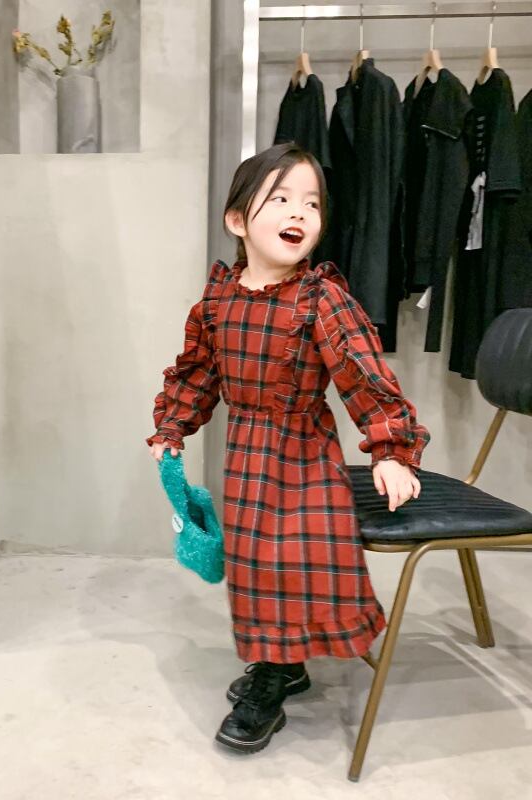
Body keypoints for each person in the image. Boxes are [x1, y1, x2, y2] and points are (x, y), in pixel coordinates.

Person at [146, 142, 430, 754]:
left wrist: (390, 450)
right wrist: (172, 427)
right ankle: (284, 664)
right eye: (279, 198)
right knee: (252, 564)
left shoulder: (320, 298)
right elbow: (199, 374)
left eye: (311, 203)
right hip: (246, 454)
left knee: (285, 560)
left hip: (303, 455)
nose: (299, 211)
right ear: (237, 220)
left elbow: (364, 375)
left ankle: (272, 679)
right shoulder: (218, 301)